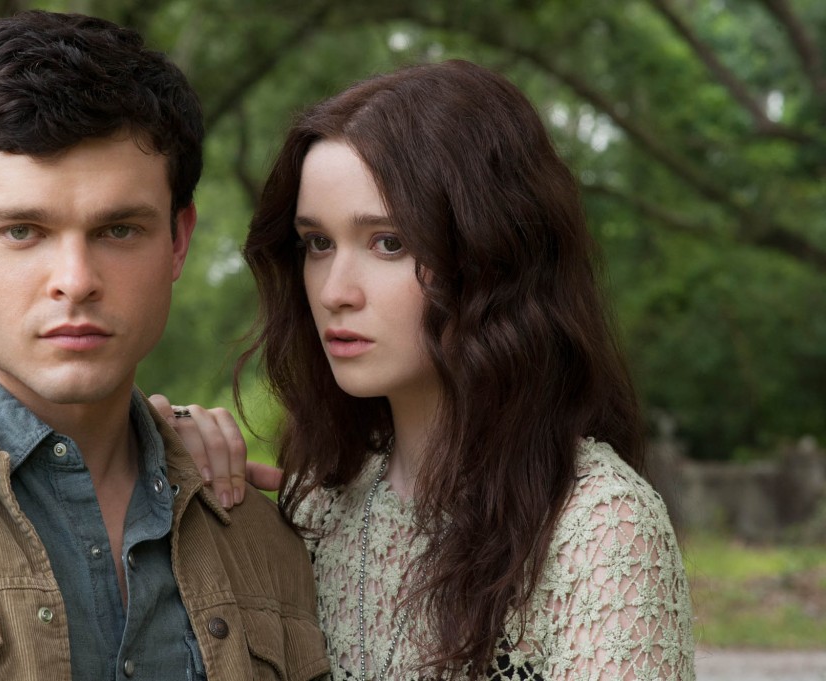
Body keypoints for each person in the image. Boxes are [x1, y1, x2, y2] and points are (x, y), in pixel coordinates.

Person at [0, 11, 327, 680]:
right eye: (23, 230)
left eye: (117, 230)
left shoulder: (267, 536)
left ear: (178, 240)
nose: (75, 281)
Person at [168, 59, 695, 680]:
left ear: (492, 255)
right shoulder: (319, 508)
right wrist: (160, 454)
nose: (335, 290)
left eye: (389, 242)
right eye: (318, 243)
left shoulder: (599, 526)